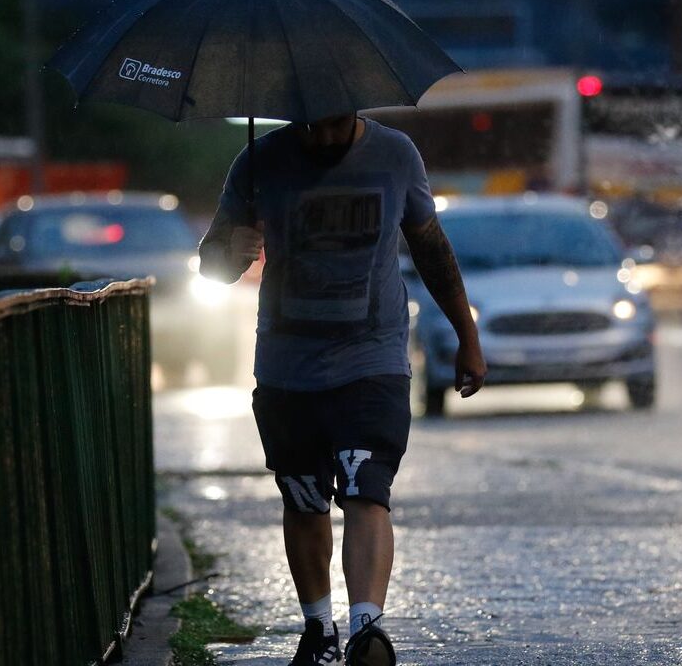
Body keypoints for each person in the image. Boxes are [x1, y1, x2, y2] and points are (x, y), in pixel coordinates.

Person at [198, 112, 487, 666]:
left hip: (372, 360)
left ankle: (366, 631)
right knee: (304, 499)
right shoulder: (258, 161)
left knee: (366, 488)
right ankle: (318, 629)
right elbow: (211, 268)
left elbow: (431, 247)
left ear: (353, 108)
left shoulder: (395, 155)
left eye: (331, 125)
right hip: (287, 368)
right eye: (309, 126)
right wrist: (232, 249)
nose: (320, 137)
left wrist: (466, 336)